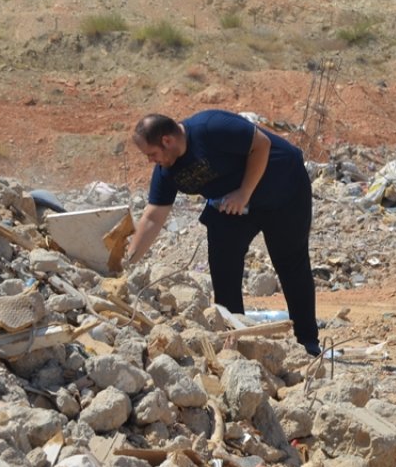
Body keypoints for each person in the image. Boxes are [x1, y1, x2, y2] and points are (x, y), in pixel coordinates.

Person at [125, 110, 321, 356]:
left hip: (283, 189)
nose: (150, 161)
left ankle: (308, 343)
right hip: (233, 205)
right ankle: (233, 339)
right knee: (223, 264)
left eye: (151, 154)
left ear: (167, 141)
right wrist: (126, 264)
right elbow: (153, 217)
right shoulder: (167, 171)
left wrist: (244, 192)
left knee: (291, 263)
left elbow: (262, 144)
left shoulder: (212, 127)